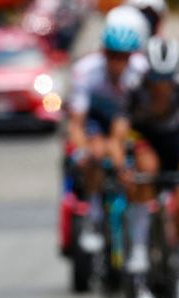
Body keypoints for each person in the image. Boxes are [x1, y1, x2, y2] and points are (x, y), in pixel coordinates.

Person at [124, 36, 179, 298]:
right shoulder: (135, 86)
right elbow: (122, 127)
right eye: (157, 77)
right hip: (146, 141)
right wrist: (124, 165)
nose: (161, 85)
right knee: (146, 171)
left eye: (167, 78)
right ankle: (140, 256)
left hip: (176, 143)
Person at [65, 6, 149, 219]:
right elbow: (76, 123)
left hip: (126, 120)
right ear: (103, 52)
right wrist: (82, 151)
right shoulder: (85, 71)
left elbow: (143, 118)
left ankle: (139, 216)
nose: (118, 63)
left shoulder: (142, 70)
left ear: (132, 55)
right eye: (113, 56)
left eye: (124, 57)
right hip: (94, 120)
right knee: (95, 154)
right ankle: (94, 212)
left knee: (144, 161)